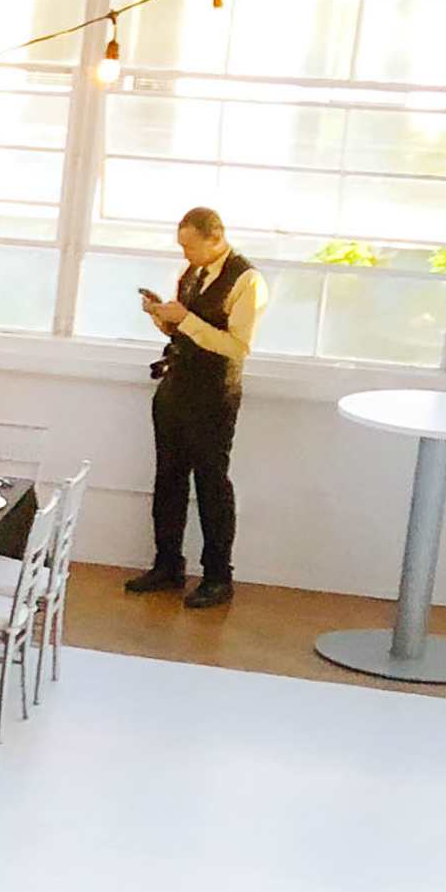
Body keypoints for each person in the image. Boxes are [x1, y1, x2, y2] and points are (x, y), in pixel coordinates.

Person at [129, 205, 262, 610]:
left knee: (211, 483)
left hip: (213, 395)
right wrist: (162, 317)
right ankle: (168, 563)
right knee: (168, 478)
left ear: (215, 237)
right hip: (175, 387)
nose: (184, 255)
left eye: (189, 246)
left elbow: (237, 347)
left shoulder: (247, 280)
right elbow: (185, 328)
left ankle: (218, 576)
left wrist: (184, 319)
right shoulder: (192, 273)